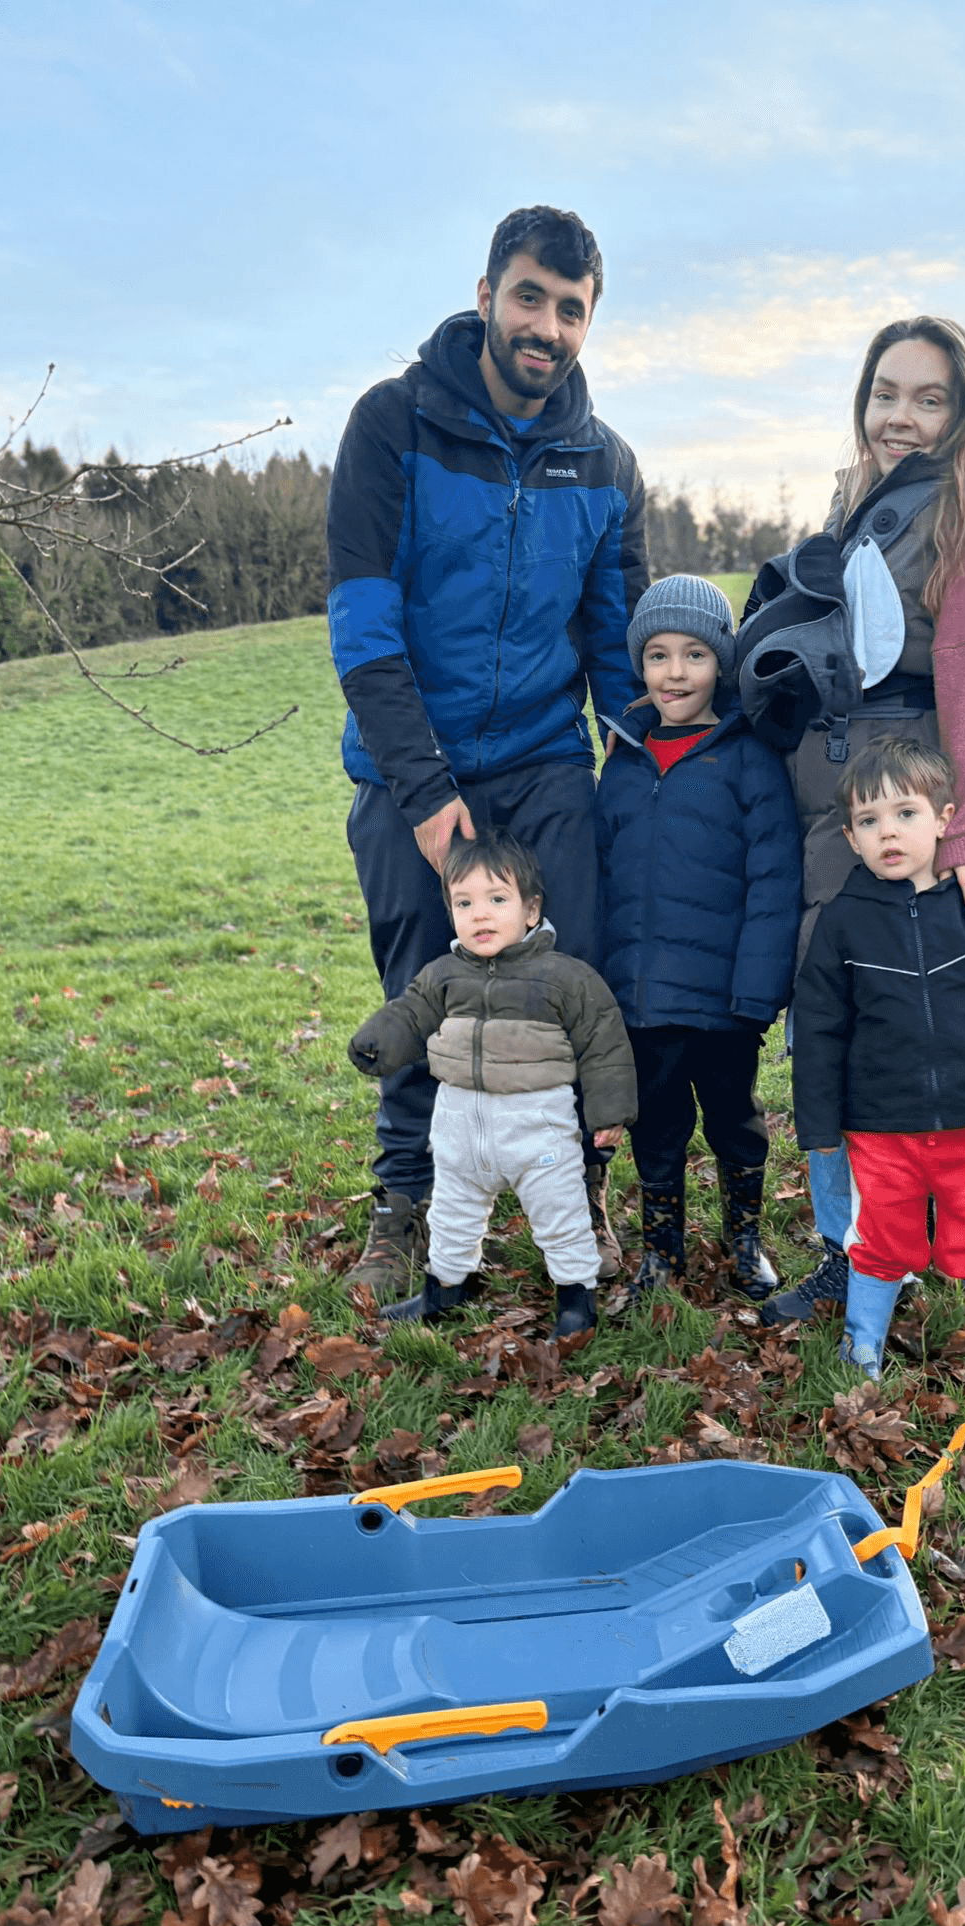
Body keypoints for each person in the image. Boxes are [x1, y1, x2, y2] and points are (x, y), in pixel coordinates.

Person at [327, 204, 648, 1302]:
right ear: (486, 295)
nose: (546, 327)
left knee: (570, 980)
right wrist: (423, 792)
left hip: (545, 765)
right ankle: (404, 1198)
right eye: (529, 297)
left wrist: (649, 770)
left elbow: (617, 644)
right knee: (427, 985)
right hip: (411, 768)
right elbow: (365, 630)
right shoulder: (392, 425)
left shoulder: (606, 464)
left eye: (572, 310)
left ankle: (577, 1191)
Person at [755, 315, 965, 1326]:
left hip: (900, 812)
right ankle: (865, 1245)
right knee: (831, 1017)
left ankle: (913, 1242)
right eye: (886, 393)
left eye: (930, 399)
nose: (902, 416)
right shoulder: (870, 500)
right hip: (833, 809)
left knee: (892, 1022)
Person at [792, 738, 965, 1383]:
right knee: (881, 1237)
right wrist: (820, 1126)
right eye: (868, 821)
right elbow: (820, 1030)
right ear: (851, 838)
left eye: (905, 813)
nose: (887, 832)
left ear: (944, 819)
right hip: (879, 1127)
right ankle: (862, 1345)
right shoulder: (841, 922)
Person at [595, 576, 801, 1299]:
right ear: (640, 665)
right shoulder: (623, 761)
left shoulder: (748, 758)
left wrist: (757, 992)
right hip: (642, 998)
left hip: (723, 1001)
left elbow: (775, 882)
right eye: (657, 655)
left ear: (722, 663)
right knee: (656, 1125)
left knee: (734, 1120)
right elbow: (602, 877)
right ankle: (662, 1251)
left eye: (694, 655)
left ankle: (744, 1239)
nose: (675, 673)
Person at [346, 831, 637, 1340]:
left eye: (497, 900)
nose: (480, 914)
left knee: (561, 1216)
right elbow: (410, 1015)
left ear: (531, 910)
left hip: (537, 1131)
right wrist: (377, 1041)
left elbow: (603, 1042)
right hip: (459, 1127)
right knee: (452, 1215)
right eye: (464, 903)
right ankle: (446, 1286)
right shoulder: (443, 976)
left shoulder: (564, 978)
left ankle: (576, 1300)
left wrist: (609, 1112)